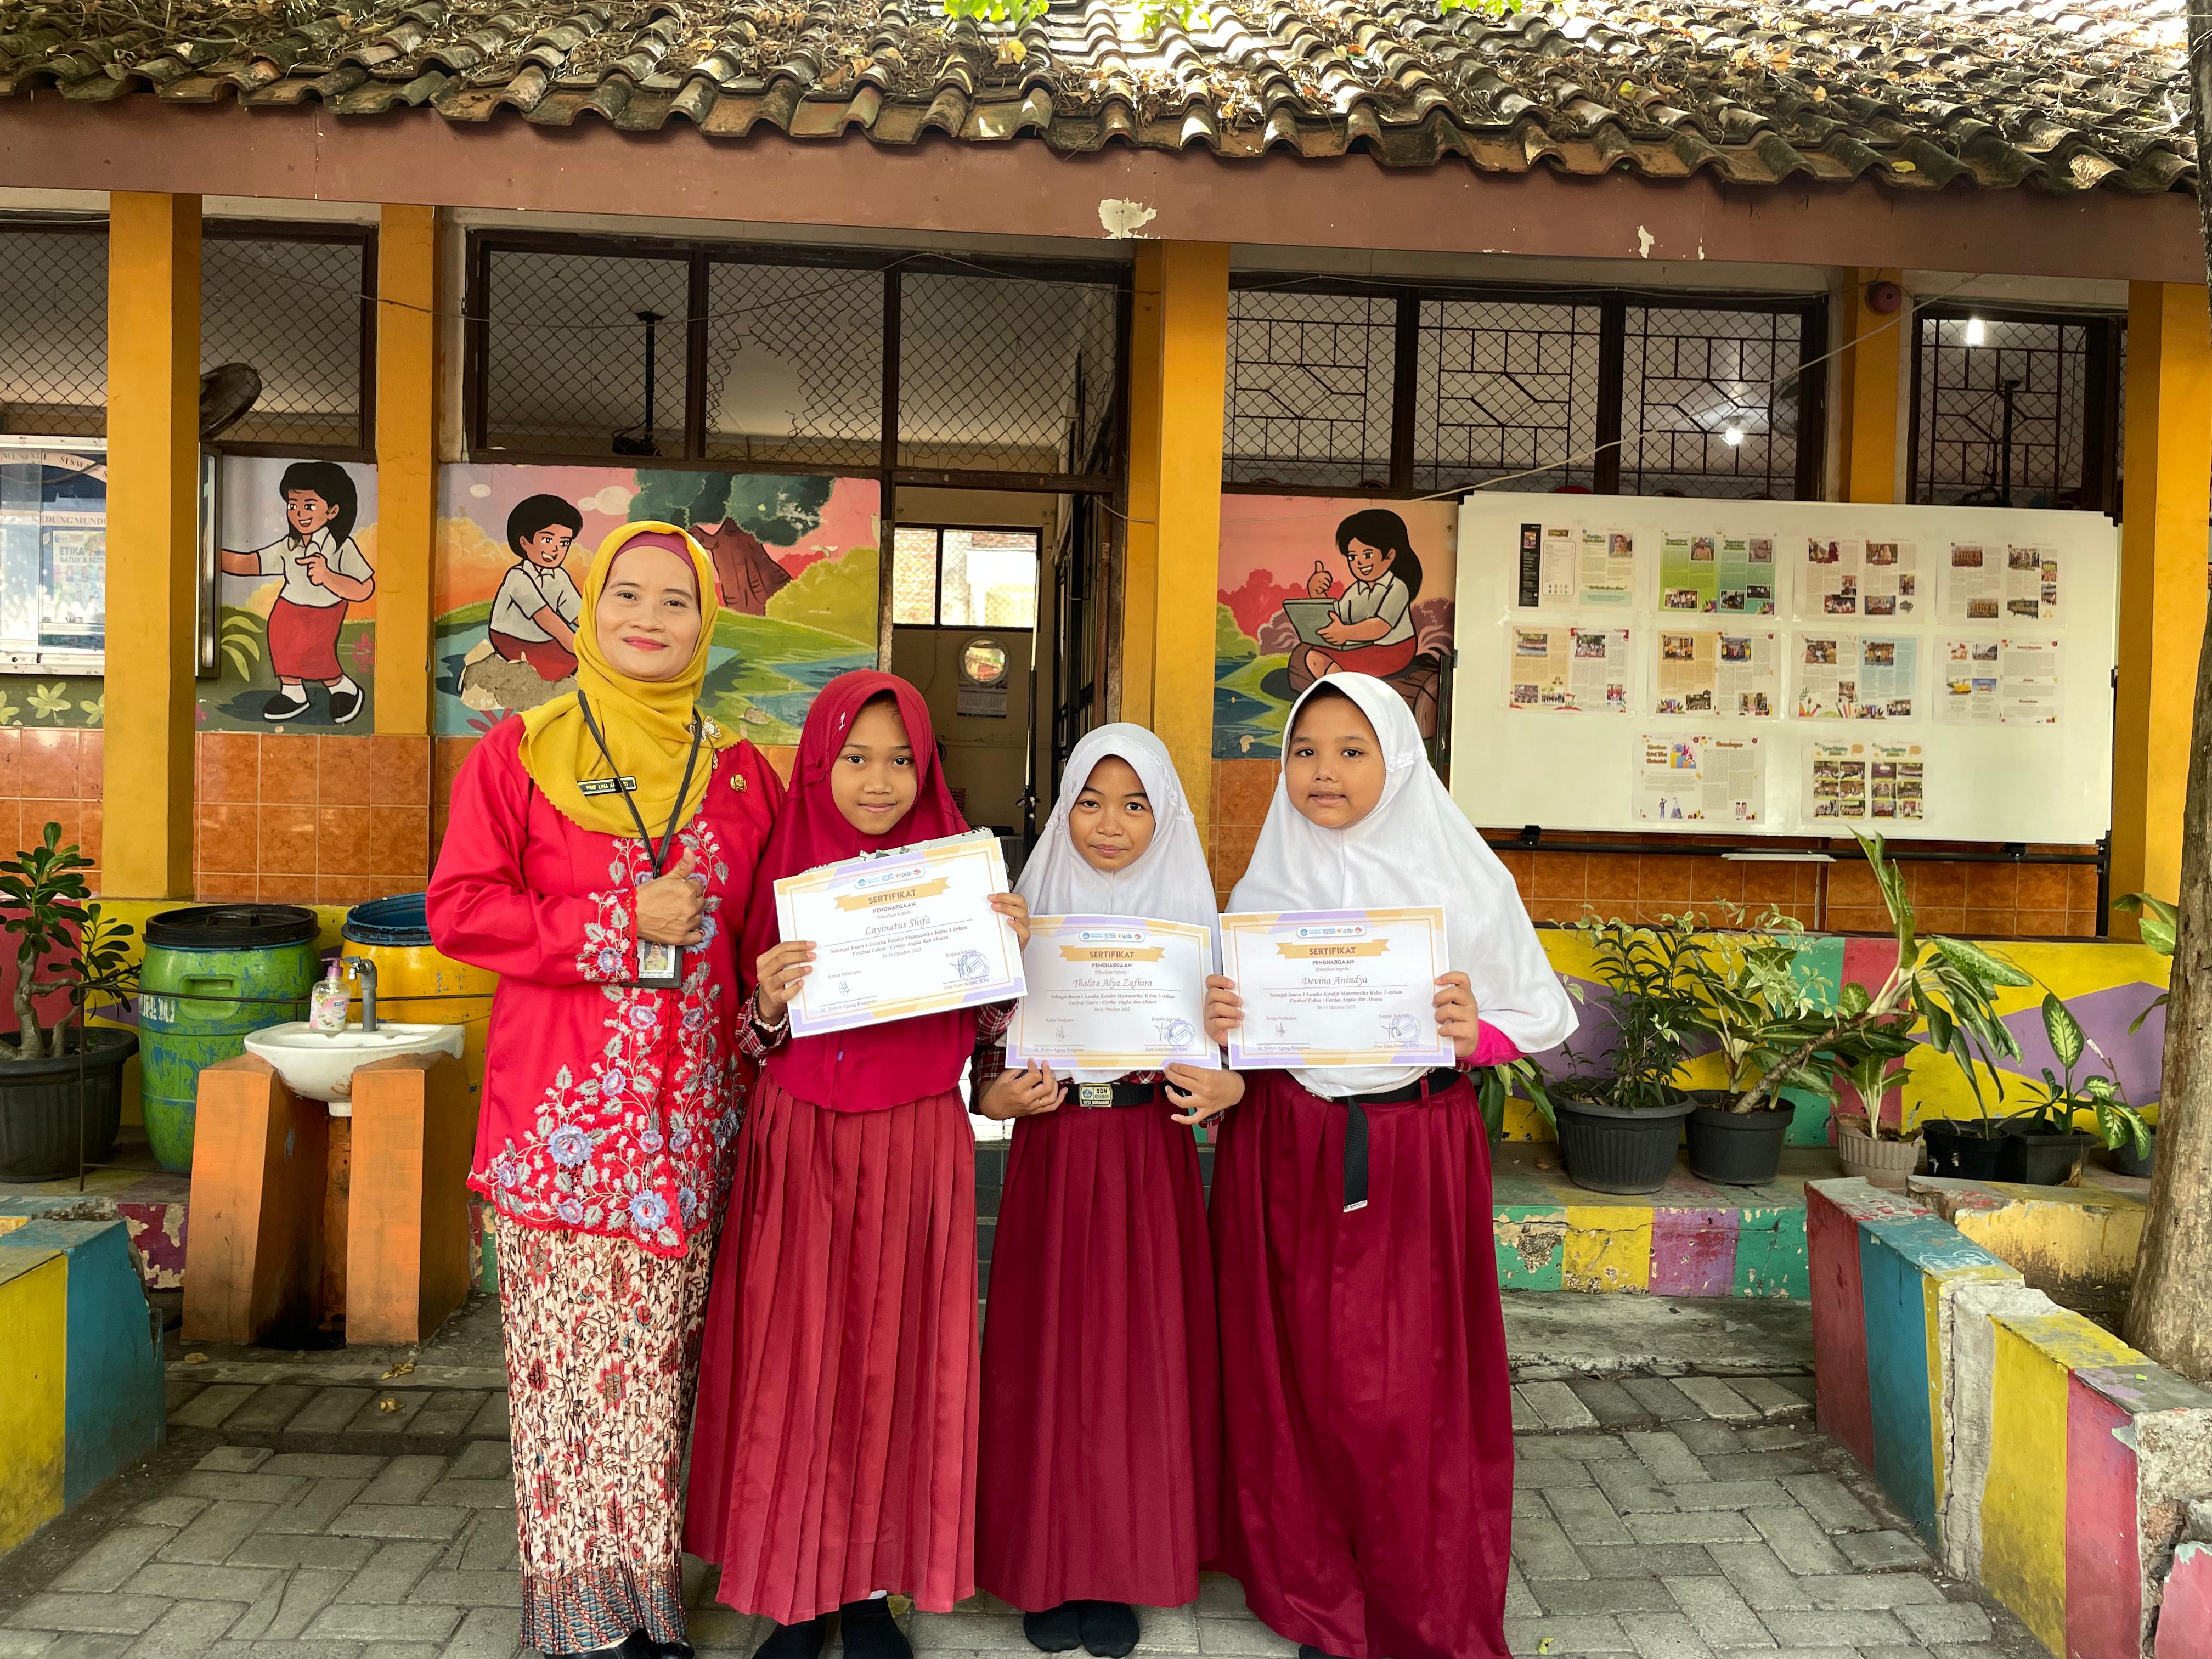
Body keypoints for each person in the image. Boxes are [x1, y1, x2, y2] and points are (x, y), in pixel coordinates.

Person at [427, 520, 784, 1659]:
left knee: (659, 1372)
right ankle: (579, 1617)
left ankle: (649, 1602)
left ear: (706, 623)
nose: (648, 617)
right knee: (566, 1376)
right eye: (626, 592)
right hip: (561, 1131)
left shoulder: (741, 773)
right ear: (589, 610)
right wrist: (619, 918)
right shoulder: (517, 753)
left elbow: (763, 944)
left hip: (691, 1131)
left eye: (676, 600)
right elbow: (459, 910)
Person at [1203, 674, 1577, 1659]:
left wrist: (1475, 1031)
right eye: (1304, 751)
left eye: (1350, 750)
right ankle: (1313, 1587)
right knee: (1297, 1369)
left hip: (1412, 1150)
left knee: (1405, 1382)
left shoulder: (1462, 880)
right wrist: (1225, 1025)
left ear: (1400, 761)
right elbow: (1239, 1036)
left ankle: (1412, 1586)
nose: (1322, 771)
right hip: (1285, 1142)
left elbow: (1541, 1014)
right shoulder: (1267, 883)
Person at [685, 671, 1030, 1659]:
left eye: (901, 760)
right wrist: (768, 1000)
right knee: (796, 1363)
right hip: (802, 1141)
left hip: (916, 1139)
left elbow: (989, 1032)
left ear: (927, 770)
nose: (879, 781)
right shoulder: (784, 870)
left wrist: (1004, 956)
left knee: (895, 1361)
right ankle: (794, 1593)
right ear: (817, 764)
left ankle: (872, 1589)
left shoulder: (954, 870)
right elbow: (748, 1041)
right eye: (855, 758)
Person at [972, 726, 1235, 1657]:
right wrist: (996, 1097)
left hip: (1146, 1157)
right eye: (1089, 801)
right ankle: (1046, 1562)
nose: (1109, 824)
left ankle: (1121, 1565)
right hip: (1052, 1150)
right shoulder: (1026, 916)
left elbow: (1235, 1058)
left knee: (1138, 1357)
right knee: (1045, 1353)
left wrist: (1227, 1081)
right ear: (1064, 810)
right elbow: (986, 1062)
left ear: (1164, 820)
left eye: (1133, 805)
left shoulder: (1193, 927)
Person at [218, 459, 374, 724]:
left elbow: (365, 588)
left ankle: (342, 687)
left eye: (309, 505)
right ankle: (292, 692)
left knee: (317, 654)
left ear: (333, 511)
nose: (299, 513)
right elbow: (252, 563)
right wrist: (211, 555)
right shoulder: (289, 546)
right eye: (293, 505)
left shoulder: (342, 548)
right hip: (288, 608)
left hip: (324, 612)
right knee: (282, 644)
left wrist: (328, 577)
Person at [1289, 509, 1423, 690]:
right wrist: (1317, 593)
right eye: (1353, 557)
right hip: (1362, 645)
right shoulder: (1356, 590)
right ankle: (1339, 693)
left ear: (1390, 556)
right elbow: (1335, 615)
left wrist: (1345, 633)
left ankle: (1343, 695)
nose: (1359, 562)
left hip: (1394, 649)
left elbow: (1380, 627)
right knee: (1314, 657)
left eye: (1367, 554)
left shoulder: (1397, 588)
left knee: (1337, 669)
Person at [489, 493, 586, 681]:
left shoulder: (560, 576)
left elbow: (579, 614)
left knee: (574, 661)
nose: (556, 549)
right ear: (524, 542)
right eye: (548, 540)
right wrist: (585, 650)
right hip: (511, 638)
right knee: (567, 663)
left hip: (543, 638)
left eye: (564, 543)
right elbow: (547, 619)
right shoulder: (518, 577)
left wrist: (602, 637)